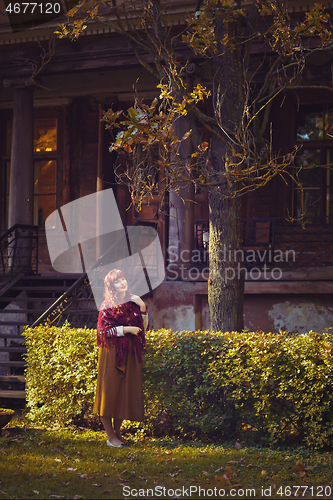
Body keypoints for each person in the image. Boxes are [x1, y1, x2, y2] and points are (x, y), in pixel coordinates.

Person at [93, 269, 148, 447]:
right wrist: (126, 330)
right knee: (110, 392)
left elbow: (143, 329)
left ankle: (117, 434)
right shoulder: (107, 305)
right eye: (117, 281)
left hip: (130, 353)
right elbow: (102, 331)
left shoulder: (133, 303)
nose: (122, 283)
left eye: (123, 279)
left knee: (124, 392)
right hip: (111, 353)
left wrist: (143, 308)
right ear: (111, 286)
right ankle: (110, 436)